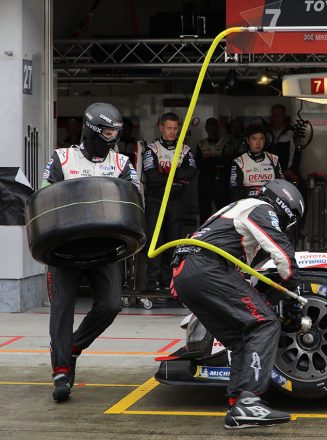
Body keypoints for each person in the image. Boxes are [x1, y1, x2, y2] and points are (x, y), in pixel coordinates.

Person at [171, 179, 304, 429]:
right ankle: (250, 402)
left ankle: (237, 405)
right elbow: (282, 251)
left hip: (185, 272)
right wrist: (294, 293)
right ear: (286, 207)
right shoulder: (260, 208)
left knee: (243, 337)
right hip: (208, 268)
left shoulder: (234, 209)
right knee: (265, 324)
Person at [41, 103, 141, 402]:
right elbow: (44, 196)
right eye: (108, 132)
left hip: (103, 247)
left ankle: (72, 347)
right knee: (62, 308)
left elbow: (135, 197)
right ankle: (61, 371)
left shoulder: (122, 163)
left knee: (111, 305)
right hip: (66, 247)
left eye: (116, 132)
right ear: (93, 130)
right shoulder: (62, 158)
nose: (114, 138)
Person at [142, 112, 197, 291]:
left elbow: (191, 173)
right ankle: (153, 281)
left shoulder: (185, 150)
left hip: (176, 200)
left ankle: (168, 281)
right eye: (169, 128)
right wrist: (176, 177)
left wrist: (165, 174)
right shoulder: (152, 149)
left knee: (173, 240)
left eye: (175, 128)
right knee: (155, 240)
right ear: (161, 128)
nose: (172, 132)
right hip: (155, 200)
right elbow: (152, 177)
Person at [195, 117, 244, 222]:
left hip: (221, 182)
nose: (212, 129)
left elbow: (227, 162)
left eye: (214, 126)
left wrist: (209, 161)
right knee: (204, 212)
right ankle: (203, 232)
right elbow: (198, 164)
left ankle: (222, 231)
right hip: (205, 182)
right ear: (206, 129)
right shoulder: (201, 144)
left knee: (223, 211)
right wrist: (216, 162)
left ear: (218, 128)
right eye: (210, 127)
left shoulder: (226, 142)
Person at [229, 124, 283, 202]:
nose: (258, 142)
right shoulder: (239, 162)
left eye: (261, 139)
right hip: (248, 204)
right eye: (254, 139)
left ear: (265, 140)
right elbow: (234, 191)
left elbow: (281, 185)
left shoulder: (274, 159)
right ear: (247, 141)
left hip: (270, 203)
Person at [267, 104, 300, 179]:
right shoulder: (267, 133)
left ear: (284, 116)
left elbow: (296, 153)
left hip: (286, 173)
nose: (276, 118)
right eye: (274, 115)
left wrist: (291, 170)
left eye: (279, 115)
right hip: (269, 173)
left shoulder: (291, 133)